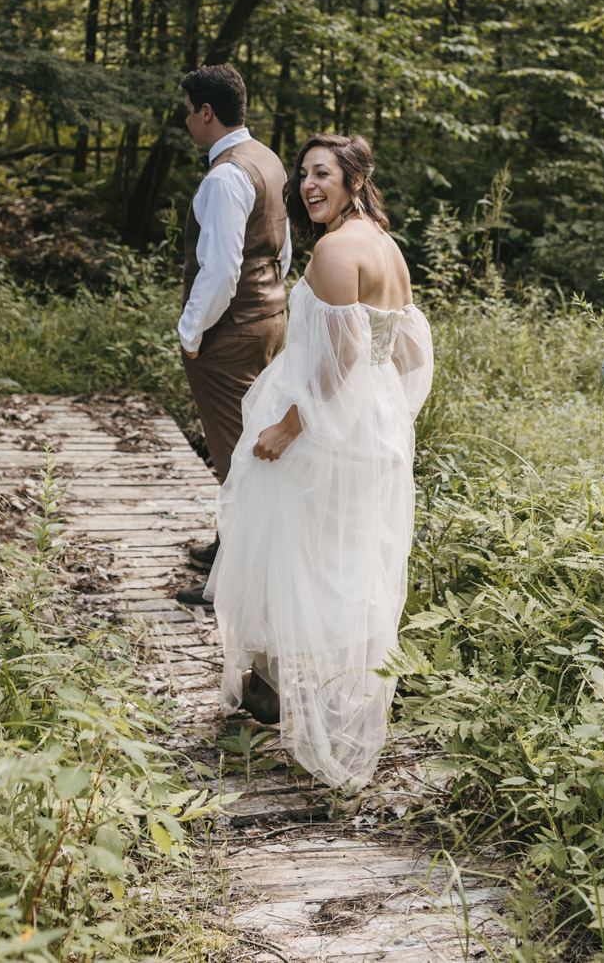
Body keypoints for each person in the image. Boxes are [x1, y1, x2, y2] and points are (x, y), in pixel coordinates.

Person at [205, 133, 433, 790]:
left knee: (306, 562)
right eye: (303, 174)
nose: (308, 185)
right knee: (350, 564)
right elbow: (408, 349)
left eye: (323, 173)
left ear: (355, 178)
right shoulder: (386, 248)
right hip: (372, 427)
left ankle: (303, 702)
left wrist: (288, 426)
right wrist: (385, 411)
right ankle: (325, 700)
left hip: (328, 432)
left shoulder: (337, 250)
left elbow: (338, 362)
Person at [175, 64, 291, 606]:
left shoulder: (223, 175)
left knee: (234, 454)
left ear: (206, 112)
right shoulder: (266, 158)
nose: (186, 121)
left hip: (230, 332)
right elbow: (279, 249)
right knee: (248, 440)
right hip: (269, 318)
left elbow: (219, 270)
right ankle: (229, 544)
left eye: (188, 111)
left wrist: (191, 331)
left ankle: (235, 581)